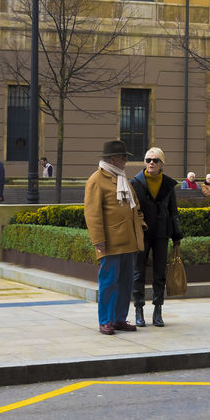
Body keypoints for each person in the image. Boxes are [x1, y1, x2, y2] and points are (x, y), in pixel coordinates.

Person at [83, 139, 145, 336]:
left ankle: (119, 319)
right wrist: (98, 241)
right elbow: (92, 214)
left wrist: (140, 225)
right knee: (109, 283)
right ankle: (105, 321)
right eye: (123, 157)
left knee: (126, 283)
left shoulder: (122, 178)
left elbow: (135, 205)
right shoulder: (96, 180)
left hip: (128, 241)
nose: (126, 161)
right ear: (112, 159)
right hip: (109, 243)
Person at [130, 147, 182, 328]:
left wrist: (176, 234)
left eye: (155, 160)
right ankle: (138, 309)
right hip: (141, 233)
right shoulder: (135, 183)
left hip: (161, 232)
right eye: (148, 160)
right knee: (138, 273)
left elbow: (173, 211)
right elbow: (130, 210)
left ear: (162, 164)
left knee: (160, 273)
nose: (151, 163)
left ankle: (158, 310)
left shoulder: (168, 184)